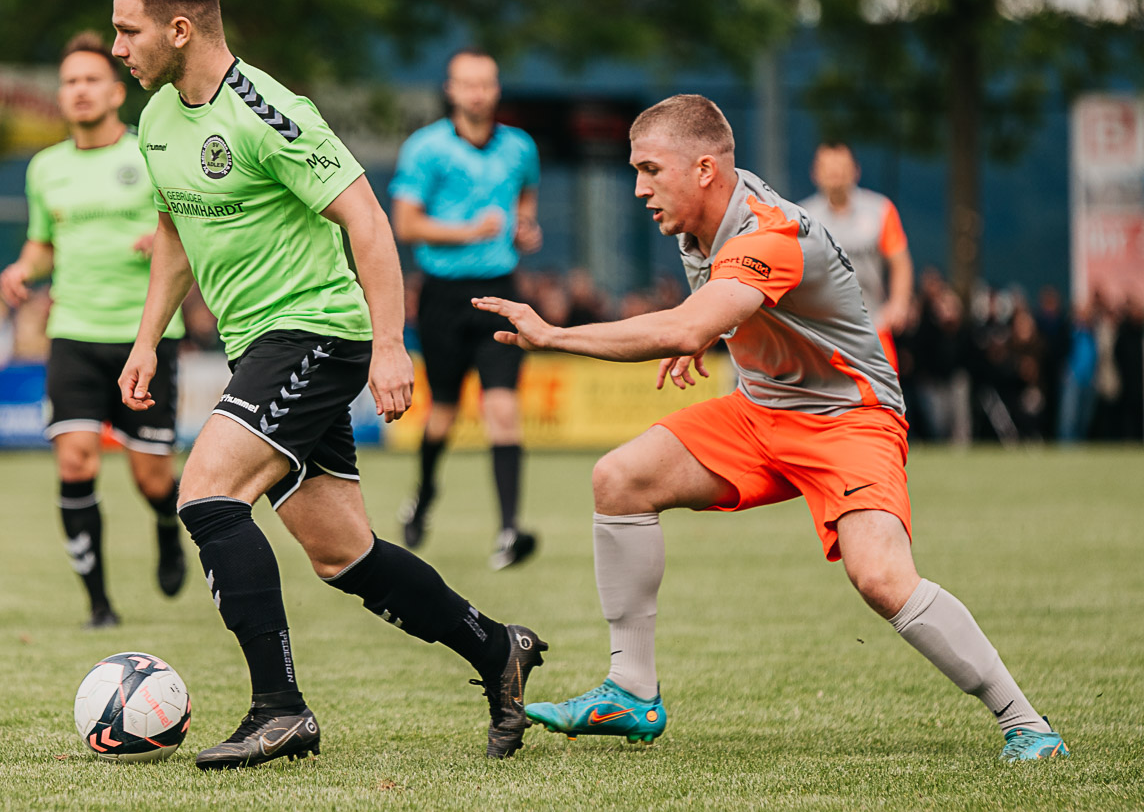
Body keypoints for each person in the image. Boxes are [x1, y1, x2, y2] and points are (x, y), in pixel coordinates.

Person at [475, 94, 1066, 763]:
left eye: (649, 170)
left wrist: (558, 334)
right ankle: (631, 691)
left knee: (881, 579)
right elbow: (717, 311)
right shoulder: (696, 222)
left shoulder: (770, 233)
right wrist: (704, 330)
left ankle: (1026, 723)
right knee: (620, 478)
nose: (639, 189)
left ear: (704, 169)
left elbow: (691, 321)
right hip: (761, 412)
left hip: (849, 419)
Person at [110, 0, 545, 769]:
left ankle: (280, 710)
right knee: (342, 553)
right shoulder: (158, 119)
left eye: (128, 31)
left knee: (207, 495)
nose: (117, 47)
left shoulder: (272, 112)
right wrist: (146, 339)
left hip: (316, 331)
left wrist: (390, 346)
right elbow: (172, 233)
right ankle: (499, 650)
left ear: (178, 29)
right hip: (257, 348)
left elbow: (369, 221)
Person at [0, 31, 190, 628]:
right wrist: (23, 268)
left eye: (91, 80)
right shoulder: (45, 169)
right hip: (73, 334)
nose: (79, 90)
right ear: (61, 95)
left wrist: (161, 238)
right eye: (70, 82)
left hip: (146, 339)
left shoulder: (150, 154)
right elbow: (42, 243)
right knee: (76, 463)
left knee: (151, 477)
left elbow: (188, 228)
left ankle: (166, 523)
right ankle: (100, 607)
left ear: (115, 92)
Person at [388, 49, 542, 568]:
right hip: (443, 294)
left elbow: (526, 199)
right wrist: (468, 231)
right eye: (467, 84)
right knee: (444, 412)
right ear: (450, 90)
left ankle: (510, 530)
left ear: (497, 90)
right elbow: (406, 224)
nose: (477, 93)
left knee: (503, 408)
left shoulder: (520, 147)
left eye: (486, 83)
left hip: (501, 289)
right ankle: (424, 494)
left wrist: (525, 227)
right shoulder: (425, 148)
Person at [799, 143, 914, 368]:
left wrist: (899, 304)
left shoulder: (880, 210)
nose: (835, 172)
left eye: (841, 166)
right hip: (821, 333)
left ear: (856, 170)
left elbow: (900, 261)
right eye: (827, 167)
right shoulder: (802, 216)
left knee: (881, 390)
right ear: (815, 173)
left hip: (872, 328)